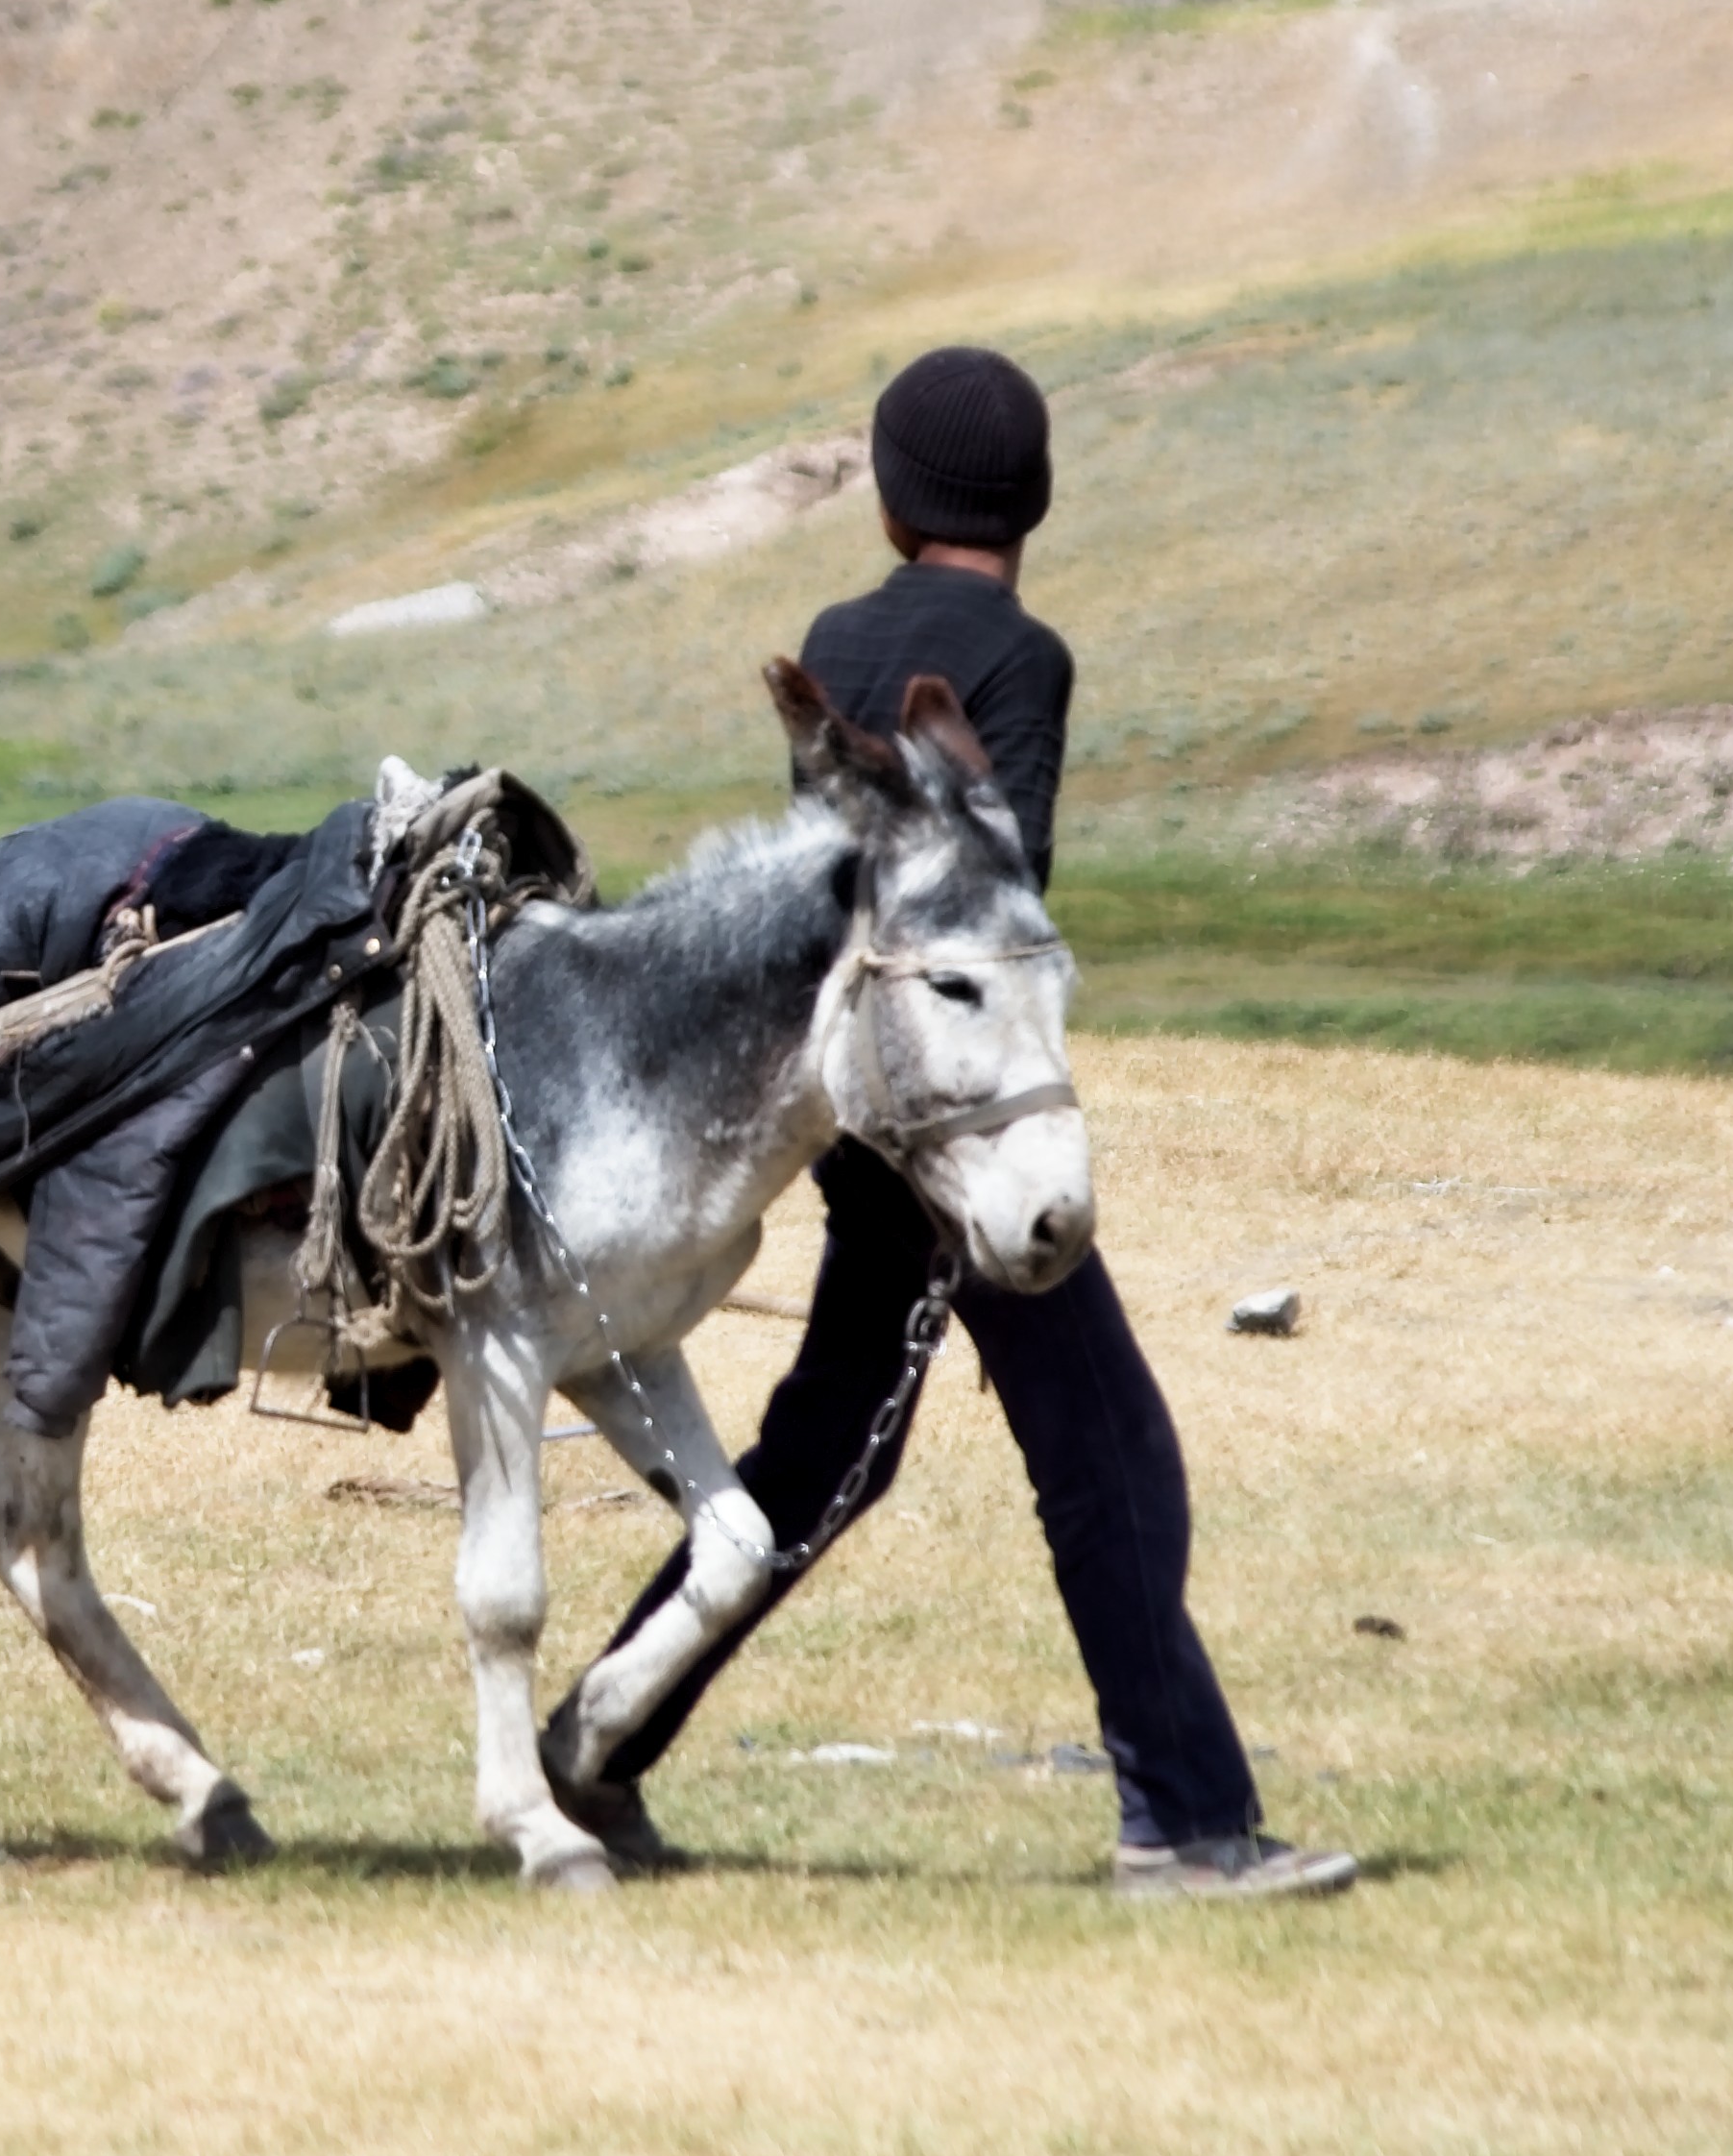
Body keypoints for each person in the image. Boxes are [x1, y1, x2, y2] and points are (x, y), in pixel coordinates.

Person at [541, 346, 1356, 1900]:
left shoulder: (843, 633)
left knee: (821, 1457)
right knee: (1106, 1453)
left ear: (894, 490)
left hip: (857, 1109)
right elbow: (991, 879)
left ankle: (591, 1748)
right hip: (957, 1131)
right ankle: (1180, 1822)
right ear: (1029, 495)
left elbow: (827, 873)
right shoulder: (1021, 656)